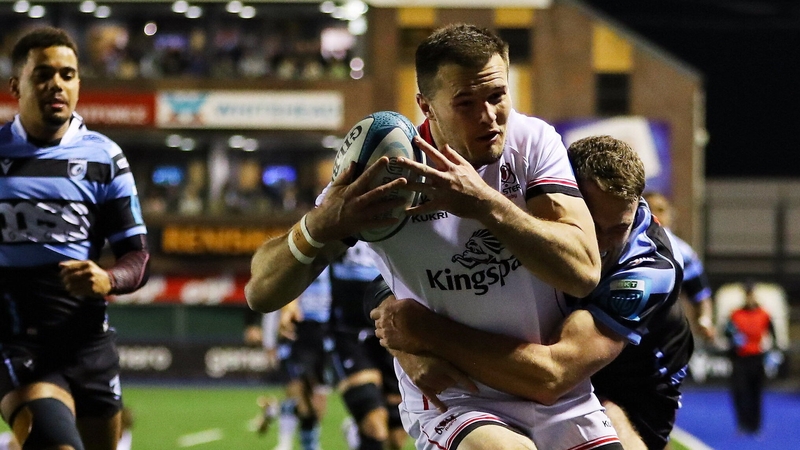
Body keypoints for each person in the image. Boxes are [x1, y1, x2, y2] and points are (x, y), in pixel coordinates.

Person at [247, 23, 623, 450]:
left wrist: (485, 204)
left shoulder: (531, 142)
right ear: (425, 106)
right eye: (465, 103)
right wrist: (319, 227)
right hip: (454, 396)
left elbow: (582, 271)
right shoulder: (388, 175)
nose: (489, 117)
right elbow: (260, 292)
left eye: (497, 96)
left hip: (560, 401)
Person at [369, 135, 692, 450]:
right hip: (548, 365)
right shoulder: (536, 211)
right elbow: (396, 280)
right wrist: (407, 350)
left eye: (619, 229)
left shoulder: (651, 268)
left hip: (633, 378)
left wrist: (426, 334)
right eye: (593, 226)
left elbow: (552, 376)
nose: (602, 246)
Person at [0, 27, 150, 450]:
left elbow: (137, 257)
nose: (57, 85)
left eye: (68, 74)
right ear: (17, 85)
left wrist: (108, 279)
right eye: (43, 74)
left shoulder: (105, 157)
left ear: (79, 83)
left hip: (90, 344)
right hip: (18, 340)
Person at [328, 241, 408, 450]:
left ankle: (357, 434)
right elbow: (308, 258)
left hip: (392, 332)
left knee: (395, 438)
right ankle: (362, 428)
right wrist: (291, 302)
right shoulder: (341, 219)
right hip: (349, 333)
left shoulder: (403, 222)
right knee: (374, 423)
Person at [257, 269, 333, 450]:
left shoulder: (333, 264)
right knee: (298, 393)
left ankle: (277, 410)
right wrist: (269, 342)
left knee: (318, 407)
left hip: (324, 338)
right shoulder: (297, 263)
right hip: (297, 336)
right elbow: (274, 304)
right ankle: (286, 443)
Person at [644, 191, 716, 341]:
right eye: (648, 208)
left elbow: (700, 295)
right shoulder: (622, 245)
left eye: (661, 210)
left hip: (663, 331)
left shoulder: (683, 253)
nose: (654, 215)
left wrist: (705, 321)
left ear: (671, 215)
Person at [724, 281, 777, 436]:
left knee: (756, 393)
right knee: (740, 392)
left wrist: (772, 353)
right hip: (740, 359)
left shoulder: (764, 314)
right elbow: (727, 332)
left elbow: (772, 335)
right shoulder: (735, 314)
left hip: (756, 357)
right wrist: (733, 338)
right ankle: (742, 423)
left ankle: (755, 425)